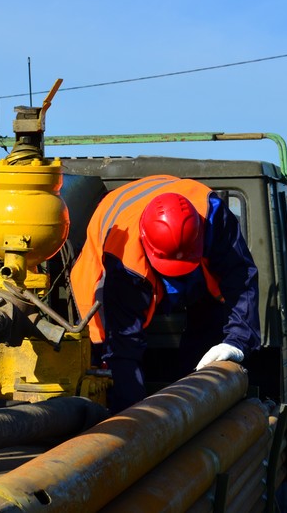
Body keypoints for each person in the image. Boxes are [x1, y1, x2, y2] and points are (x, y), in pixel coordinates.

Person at [70, 175, 261, 414]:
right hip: (115, 259)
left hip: (194, 263)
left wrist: (238, 341)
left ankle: (192, 398)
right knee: (110, 350)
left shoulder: (213, 214)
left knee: (211, 323)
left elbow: (240, 276)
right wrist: (131, 418)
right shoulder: (123, 257)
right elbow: (124, 341)